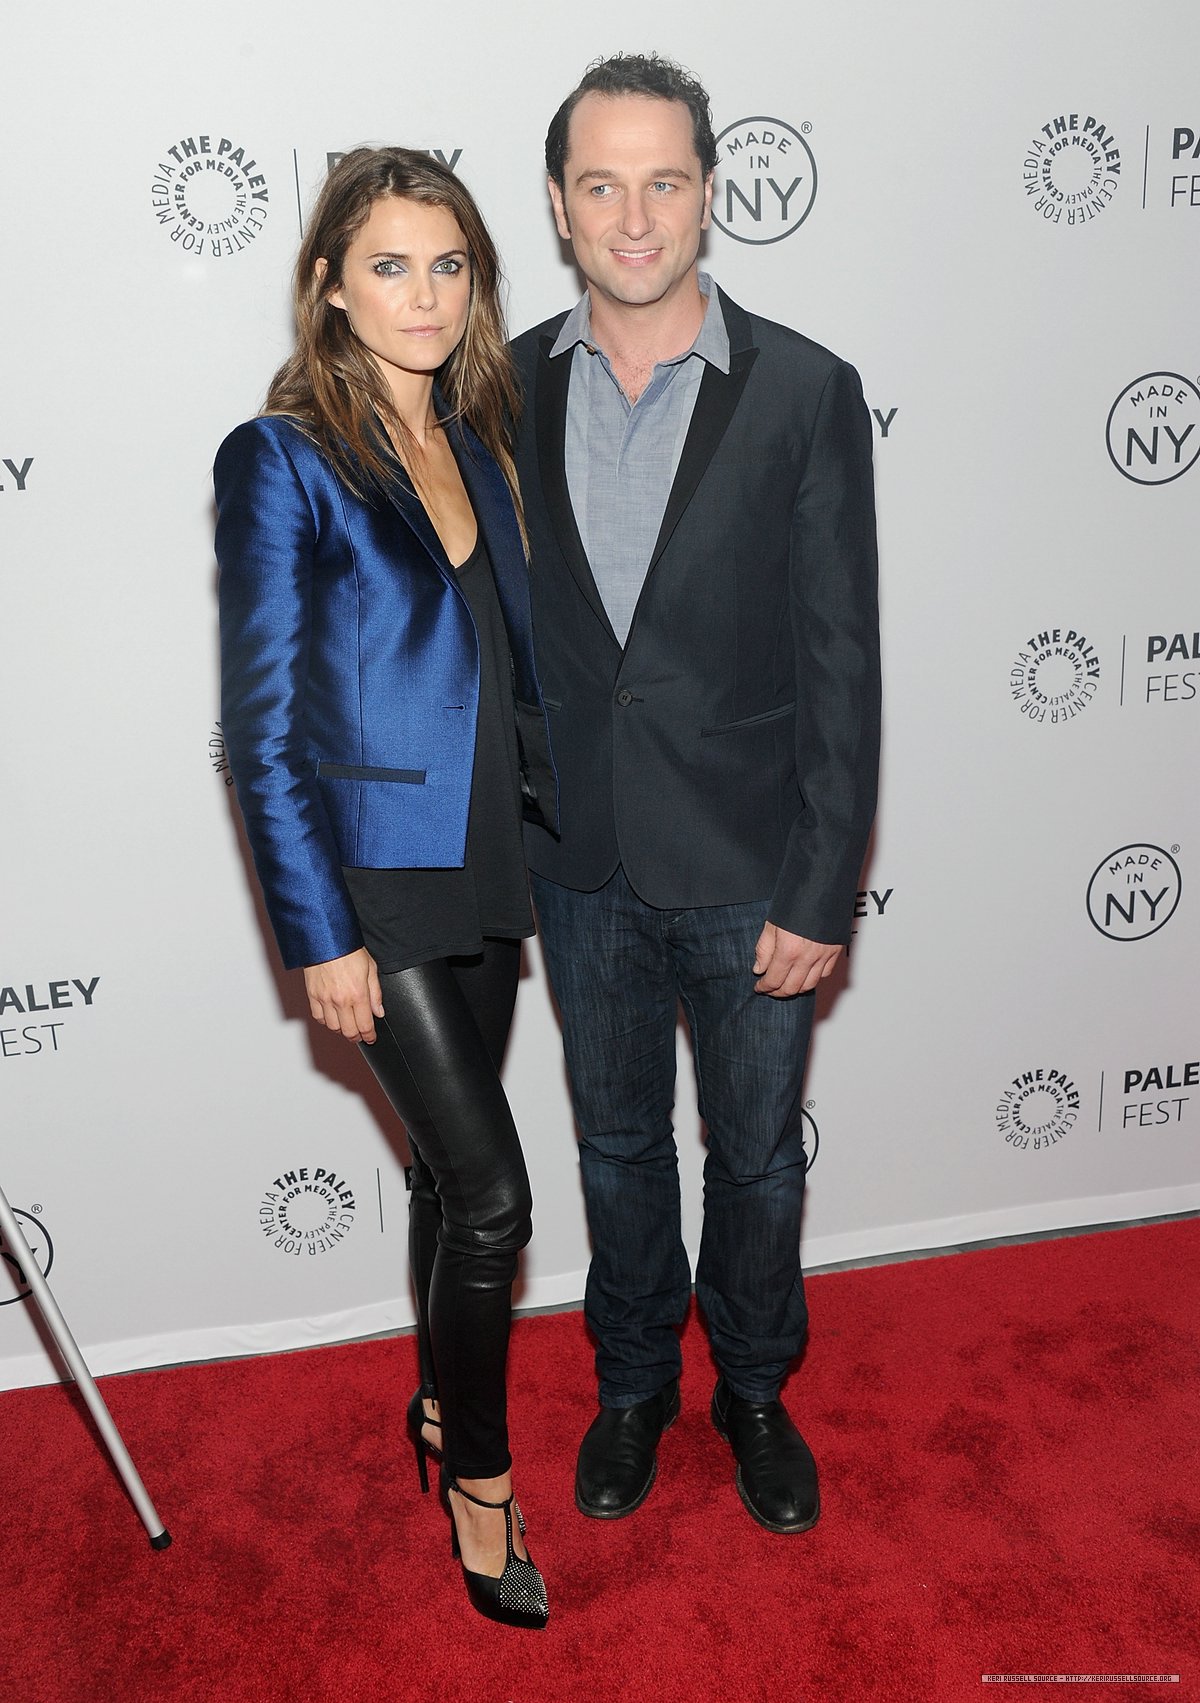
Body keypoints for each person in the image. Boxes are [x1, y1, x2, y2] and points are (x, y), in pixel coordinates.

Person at [511, 55, 880, 1534]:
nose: (635, 213)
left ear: (712, 193)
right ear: (558, 205)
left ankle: (754, 1389)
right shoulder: (502, 388)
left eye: (664, 179)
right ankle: (631, 1388)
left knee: (754, 1160)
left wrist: (821, 884)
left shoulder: (805, 390)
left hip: (749, 860)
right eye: (601, 183)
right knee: (612, 1148)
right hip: (579, 856)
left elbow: (842, 657)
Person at [214, 148, 556, 1627]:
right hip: (370, 884)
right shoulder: (280, 457)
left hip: (486, 863)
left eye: (449, 265)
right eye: (390, 265)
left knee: (437, 1175)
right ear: (328, 286)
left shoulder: (483, 443)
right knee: (495, 1202)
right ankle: (480, 1479)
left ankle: (433, 1401)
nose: (423, 295)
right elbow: (266, 723)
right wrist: (319, 934)